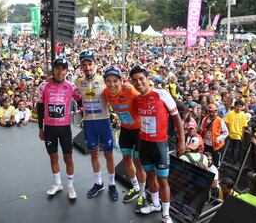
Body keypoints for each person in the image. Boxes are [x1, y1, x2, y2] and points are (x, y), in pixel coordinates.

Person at [129, 65, 185, 223]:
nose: (139, 83)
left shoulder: (162, 94)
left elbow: (176, 118)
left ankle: (166, 214)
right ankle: (155, 204)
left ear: (148, 79)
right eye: (135, 80)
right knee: (150, 177)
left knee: (163, 181)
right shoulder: (138, 98)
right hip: (144, 144)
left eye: (141, 79)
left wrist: (181, 140)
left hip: (160, 144)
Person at [102, 66, 147, 211]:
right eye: (108, 81)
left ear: (121, 81)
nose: (112, 84)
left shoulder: (128, 90)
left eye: (115, 81)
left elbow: (143, 96)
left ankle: (143, 193)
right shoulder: (105, 93)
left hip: (139, 131)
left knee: (138, 163)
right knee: (126, 159)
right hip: (125, 130)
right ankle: (135, 187)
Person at [76, 50, 118, 201]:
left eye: (90, 64)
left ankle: (112, 184)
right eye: (84, 65)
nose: (87, 67)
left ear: (95, 64)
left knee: (108, 154)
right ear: (81, 66)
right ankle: (98, 183)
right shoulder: (78, 82)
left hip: (104, 121)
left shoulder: (105, 81)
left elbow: (118, 90)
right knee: (94, 153)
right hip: (89, 123)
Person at [37, 58, 81, 200]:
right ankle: (57, 183)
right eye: (57, 68)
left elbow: (81, 100)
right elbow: (40, 107)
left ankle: (70, 186)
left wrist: (83, 112)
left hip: (65, 129)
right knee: (53, 157)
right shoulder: (43, 86)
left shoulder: (71, 86)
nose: (60, 71)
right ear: (53, 69)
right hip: (49, 129)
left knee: (68, 157)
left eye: (63, 69)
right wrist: (40, 128)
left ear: (67, 71)